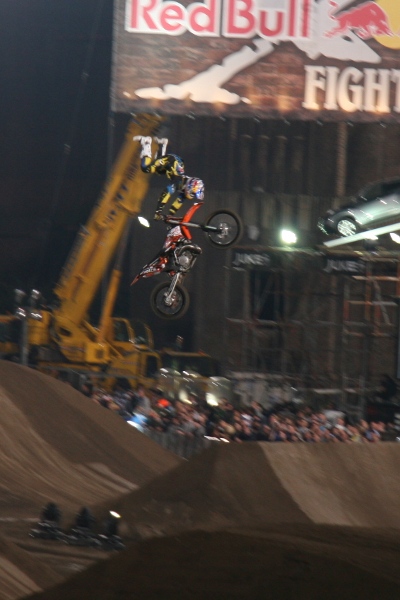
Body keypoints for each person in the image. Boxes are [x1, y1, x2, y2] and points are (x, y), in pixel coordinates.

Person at [134, 135, 205, 219]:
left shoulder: (184, 185)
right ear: (190, 187)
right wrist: (158, 211)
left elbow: (178, 203)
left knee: (158, 171)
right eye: (193, 193)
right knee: (146, 168)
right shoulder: (178, 182)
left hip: (173, 164)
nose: (192, 195)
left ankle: (162, 145)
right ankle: (146, 142)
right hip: (170, 160)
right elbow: (166, 194)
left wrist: (170, 215)